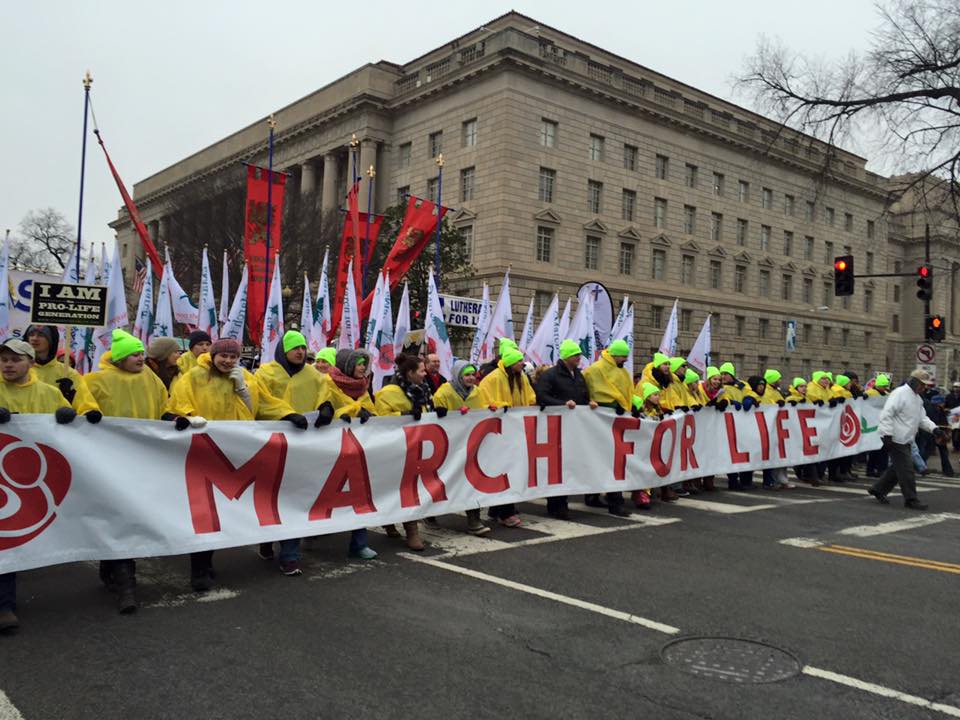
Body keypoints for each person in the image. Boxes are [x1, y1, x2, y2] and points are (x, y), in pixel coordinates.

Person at [168, 337, 307, 586]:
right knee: (205, 510)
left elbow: (262, 406)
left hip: (238, 453)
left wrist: (289, 414)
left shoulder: (246, 377)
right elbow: (179, 403)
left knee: (223, 510)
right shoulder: (194, 377)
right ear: (213, 355)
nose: (228, 361)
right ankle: (200, 567)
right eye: (223, 356)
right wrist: (188, 417)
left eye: (233, 357)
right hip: (205, 452)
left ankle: (210, 558)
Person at [263, 333, 379, 561]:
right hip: (281, 443)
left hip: (314, 445)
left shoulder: (314, 376)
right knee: (282, 497)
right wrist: (287, 415)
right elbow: (262, 402)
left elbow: (325, 397)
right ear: (283, 350)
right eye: (295, 347)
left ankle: (291, 554)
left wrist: (326, 408)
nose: (300, 352)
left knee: (341, 491)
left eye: (303, 347)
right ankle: (274, 544)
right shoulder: (266, 374)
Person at [85, 329, 171, 613]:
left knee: (130, 518)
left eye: (141, 354)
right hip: (108, 460)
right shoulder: (96, 381)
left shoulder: (151, 378)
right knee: (118, 517)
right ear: (120, 357)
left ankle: (118, 573)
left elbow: (163, 407)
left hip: (143, 460)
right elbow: (82, 408)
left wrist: (173, 418)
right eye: (134, 354)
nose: (140, 358)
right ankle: (125, 584)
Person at [0, 339, 79, 635]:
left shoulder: (48, 392)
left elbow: (70, 426)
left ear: (31, 363)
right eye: (4, 359)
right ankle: (4, 605)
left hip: (36, 479)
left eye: (15, 359)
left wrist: (67, 416)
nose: (8, 364)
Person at [374, 353, 436, 549]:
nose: (425, 374)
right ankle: (394, 523)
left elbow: (427, 413)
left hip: (417, 449)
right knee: (395, 488)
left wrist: (437, 413)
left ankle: (410, 530)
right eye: (421, 370)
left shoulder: (424, 390)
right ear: (410, 373)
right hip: (395, 449)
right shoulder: (388, 392)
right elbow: (381, 419)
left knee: (411, 489)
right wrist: (404, 415)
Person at [534, 339, 597, 520]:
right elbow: (542, 396)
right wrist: (562, 404)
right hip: (556, 427)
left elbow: (582, 395)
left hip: (574, 428)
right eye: (576, 355)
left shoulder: (578, 374)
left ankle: (563, 502)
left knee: (569, 465)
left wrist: (588, 403)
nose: (579, 358)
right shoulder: (551, 375)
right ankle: (556, 505)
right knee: (557, 466)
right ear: (567, 356)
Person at [477, 345, 537, 526]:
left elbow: (530, 397)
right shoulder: (493, 379)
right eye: (519, 361)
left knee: (511, 469)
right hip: (499, 432)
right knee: (503, 470)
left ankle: (496, 510)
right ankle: (506, 513)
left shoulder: (521, 378)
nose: (522, 363)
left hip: (516, 430)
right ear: (511, 363)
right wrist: (503, 406)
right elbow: (484, 401)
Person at [869, 368, 944, 510]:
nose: (924, 387)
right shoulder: (899, 394)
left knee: (897, 468)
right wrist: (886, 435)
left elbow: (922, 418)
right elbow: (887, 414)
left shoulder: (917, 398)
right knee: (907, 469)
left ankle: (878, 489)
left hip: (907, 438)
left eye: (925, 385)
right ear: (914, 381)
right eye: (922, 384)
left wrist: (934, 429)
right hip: (896, 438)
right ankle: (911, 499)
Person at [431, 360, 491, 536]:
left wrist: (490, 409)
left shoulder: (477, 392)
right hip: (448, 446)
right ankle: (430, 513)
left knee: (472, 480)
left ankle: (474, 519)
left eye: (473, 374)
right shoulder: (444, 393)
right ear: (458, 376)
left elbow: (481, 409)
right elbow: (436, 417)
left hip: (470, 446)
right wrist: (450, 414)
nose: (471, 378)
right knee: (444, 481)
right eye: (467, 375)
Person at [582, 339, 634, 516]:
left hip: (618, 419)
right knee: (609, 460)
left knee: (612, 460)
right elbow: (587, 392)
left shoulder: (623, 372)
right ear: (615, 355)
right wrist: (608, 403)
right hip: (601, 419)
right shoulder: (595, 370)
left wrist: (630, 405)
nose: (625, 359)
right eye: (623, 356)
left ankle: (596, 496)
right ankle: (614, 502)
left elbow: (628, 392)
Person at [23, 324, 99, 414]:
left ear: (52, 340)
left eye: (41, 335)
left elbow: (84, 400)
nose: (34, 338)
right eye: (31, 334)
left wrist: (89, 411)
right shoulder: (20, 369)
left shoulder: (68, 373)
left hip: (56, 426)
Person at [865, 374, 892, 477]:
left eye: (886, 386)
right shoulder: (870, 393)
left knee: (883, 449)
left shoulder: (886, 395)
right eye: (884, 386)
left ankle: (880, 469)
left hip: (882, 425)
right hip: (872, 425)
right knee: (874, 450)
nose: (885, 388)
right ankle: (871, 469)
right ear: (879, 385)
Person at [944, 380, 960, 452]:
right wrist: (946, 409)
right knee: (954, 431)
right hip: (952, 416)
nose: (956, 389)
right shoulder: (949, 396)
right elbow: (945, 405)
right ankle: (955, 446)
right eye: (955, 387)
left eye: (958, 387)